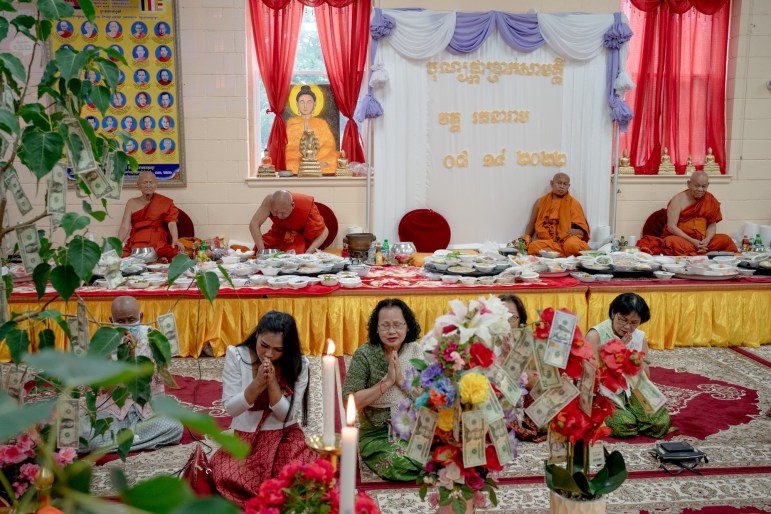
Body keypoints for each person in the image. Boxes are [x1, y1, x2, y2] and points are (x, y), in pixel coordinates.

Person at [210, 311, 314, 507]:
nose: (269, 354)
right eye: (264, 345)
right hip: (246, 439)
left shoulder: (299, 364)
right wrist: (257, 384)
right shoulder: (237, 356)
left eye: (278, 349)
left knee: (298, 478)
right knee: (227, 477)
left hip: (284, 437)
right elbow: (231, 408)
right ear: (257, 335)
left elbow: (288, 416)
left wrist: (272, 383)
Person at [81, 296, 183, 452]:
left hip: (146, 411)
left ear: (141, 317)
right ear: (111, 321)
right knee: (77, 437)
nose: (127, 325)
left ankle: (121, 441)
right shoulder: (103, 343)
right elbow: (102, 389)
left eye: (131, 320)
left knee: (174, 427)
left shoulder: (153, 337)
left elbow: (159, 380)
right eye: (120, 321)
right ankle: (135, 440)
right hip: (112, 411)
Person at [342, 299, 424, 481]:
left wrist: (401, 382)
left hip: (413, 428)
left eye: (397, 325)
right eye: (385, 326)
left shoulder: (416, 351)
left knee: (448, 448)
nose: (392, 331)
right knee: (397, 463)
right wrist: (387, 382)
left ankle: (429, 465)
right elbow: (349, 401)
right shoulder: (364, 354)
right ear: (376, 329)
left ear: (407, 327)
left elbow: (427, 398)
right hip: (378, 435)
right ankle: (430, 468)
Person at [585, 293, 673, 438]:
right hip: (604, 391)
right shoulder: (595, 335)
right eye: (623, 320)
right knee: (624, 424)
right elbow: (589, 376)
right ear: (613, 313)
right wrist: (613, 351)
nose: (627, 327)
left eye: (634, 323)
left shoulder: (639, 337)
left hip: (632, 388)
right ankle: (630, 418)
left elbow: (646, 376)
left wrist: (635, 362)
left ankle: (636, 416)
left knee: (660, 423)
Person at [498, 295, 548, 443]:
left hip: (521, 405)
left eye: (512, 317)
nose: (506, 323)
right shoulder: (485, 343)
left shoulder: (529, 344)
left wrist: (523, 374)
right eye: (501, 317)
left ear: (521, 321)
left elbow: (537, 384)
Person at [660, 171, 738, 256]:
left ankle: (698, 250)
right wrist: (692, 241)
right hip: (684, 238)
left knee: (725, 239)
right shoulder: (678, 200)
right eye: (696, 186)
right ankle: (700, 252)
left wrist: (707, 240)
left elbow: (712, 225)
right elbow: (671, 227)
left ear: (708, 185)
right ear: (689, 184)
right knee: (671, 241)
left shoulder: (710, 199)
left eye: (704, 186)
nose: (700, 189)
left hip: (703, 240)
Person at [520, 172, 590, 257]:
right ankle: (565, 253)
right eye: (559, 183)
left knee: (572, 245)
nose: (561, 186)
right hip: (548, 241)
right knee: (533, 246)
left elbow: (583, 230)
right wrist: (525, 239)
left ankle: (556, 253)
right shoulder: (540, 202)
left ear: (568, 186)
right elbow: (532, 223)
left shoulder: (574, 203)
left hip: (566, 239)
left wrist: (577, 231)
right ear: (552, 183)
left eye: (565, 184)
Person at [118, 171, 184, 260]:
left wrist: (175, 240)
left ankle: (159, 258)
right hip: (137, 243)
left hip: (158, 243)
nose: (148, 185)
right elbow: (124, 226)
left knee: (176, 252)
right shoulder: (131, 202)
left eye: (151, 182)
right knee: (119, 254)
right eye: (145, 182)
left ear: (156, 185)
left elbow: (171, 222)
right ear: (138, 185)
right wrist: (117, 243)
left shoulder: (164, 202)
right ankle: (158, 260)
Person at [249, 190, 328, 254]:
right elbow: (253, 225)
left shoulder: (306, 206)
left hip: (298, 235)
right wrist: (263, 252)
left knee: (295, 253)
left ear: (292, 205)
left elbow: (324, 232)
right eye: (275, 212)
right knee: (260, 246)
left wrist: (308, 253)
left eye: (283, 212)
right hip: (279, 232)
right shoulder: (269, 201)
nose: (279, 215)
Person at [285, 85, 337, 175]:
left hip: (319, 158)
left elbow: (329, 147)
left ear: (315, 104)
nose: (305, 106)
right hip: (297, 160)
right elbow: (288, 148)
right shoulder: (291, 123)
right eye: (302, 102)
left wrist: (314, 159)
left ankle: (314, 164)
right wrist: (301, 157)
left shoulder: (321, 123)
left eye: (309, 102)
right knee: (289, 164)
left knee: (334, 160)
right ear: (297, 104)